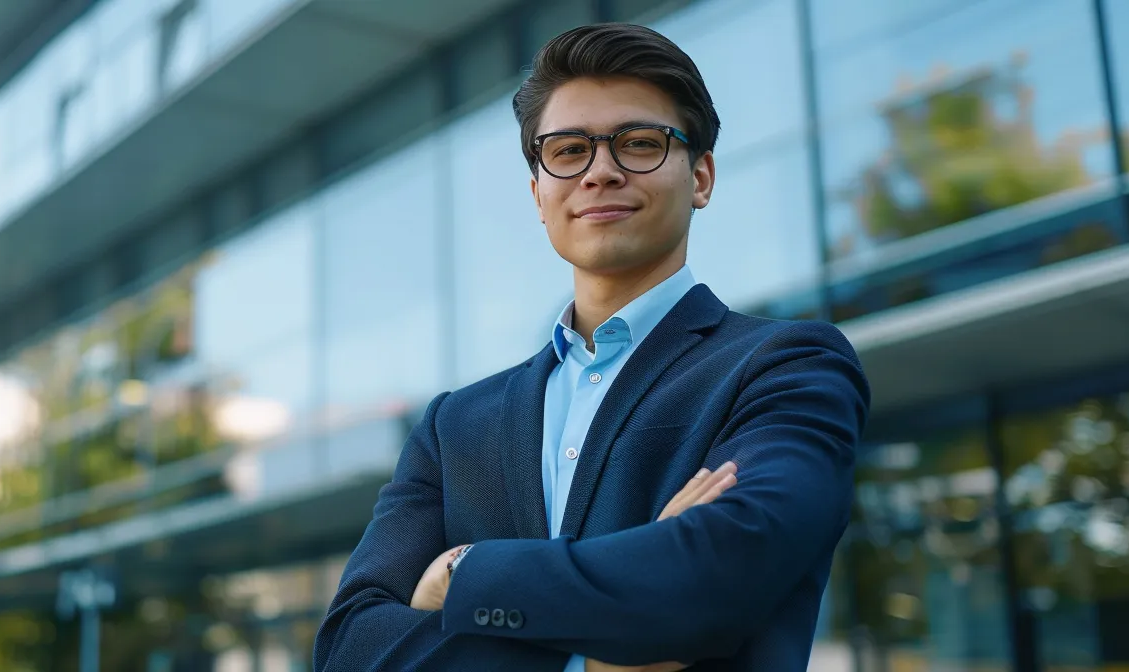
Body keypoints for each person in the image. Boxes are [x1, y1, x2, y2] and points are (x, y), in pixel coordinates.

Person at [311, 21, 870, 672]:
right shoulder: (453, 427)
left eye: (638, 143)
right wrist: (599, 651)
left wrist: (465, 573)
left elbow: (711, 580)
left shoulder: (787, 367)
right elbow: (350, 646)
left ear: (701, 177)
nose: (601, 172)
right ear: (538, 196)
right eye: (569, 150)